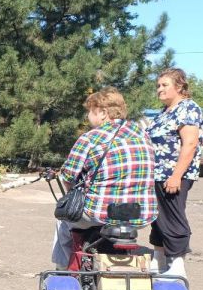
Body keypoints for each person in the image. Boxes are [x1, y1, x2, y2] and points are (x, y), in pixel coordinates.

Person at [51, 88, 157, 270]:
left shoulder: (90, 138)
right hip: (141, 214)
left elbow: (68, 176)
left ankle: (63, 270)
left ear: (102, 112)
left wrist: (72, 194)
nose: (88, 116)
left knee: (64, 219)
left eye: (90, 111)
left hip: (99, 213)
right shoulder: (142, 135)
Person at [146, 68, 203, 278]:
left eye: (164, 85)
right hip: (158, 175)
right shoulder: (165, 112)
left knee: (173, 216)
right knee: (158, 216)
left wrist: (176, 175)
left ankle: (177, 264)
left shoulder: (188, 108)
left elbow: (189, 144)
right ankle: (159, 257)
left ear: (179, 87)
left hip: (174, 175)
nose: (159, 89)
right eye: (158, 86)